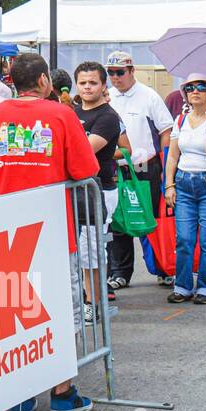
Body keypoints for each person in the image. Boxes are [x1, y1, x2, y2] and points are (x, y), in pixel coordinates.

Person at [0, 53, 100, 411]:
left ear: (12, 80)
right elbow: (85, 167)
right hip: (54, 228)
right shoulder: (60, 114)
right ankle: (61, 392)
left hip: (6, 227)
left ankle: (22, 394)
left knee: (16, 309)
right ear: (44, 80)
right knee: (59, 309)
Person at [105, 51, 174, 289]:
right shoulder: (108, 97)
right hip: (117, 168)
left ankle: (163, 267)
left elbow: (166, 130)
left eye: (120, 72)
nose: (115, 78)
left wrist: (166, 165)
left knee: (150, 218)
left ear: (132, 71)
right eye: (111, 73)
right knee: (119, 222)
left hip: (145, 167)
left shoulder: (149, 96)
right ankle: (120, 272)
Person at [163, 75, 206, 304]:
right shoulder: (180, 119)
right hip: (183, 182)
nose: (195, 91)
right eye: (189, 88)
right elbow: (172, 155)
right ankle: (182, 285)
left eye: (201, 87)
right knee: (184, 239)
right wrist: (169, 184)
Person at [72, 62, 129, 318]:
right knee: (81, 251)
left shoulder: (108, 117)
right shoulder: (72, 112)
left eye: (93, 82)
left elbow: (82, 149)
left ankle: (94, 304)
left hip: (100, 190)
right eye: (83, 82)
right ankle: (87, 300)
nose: (87, 87)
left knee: (92, 251)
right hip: (77, 191)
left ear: (103, 85)